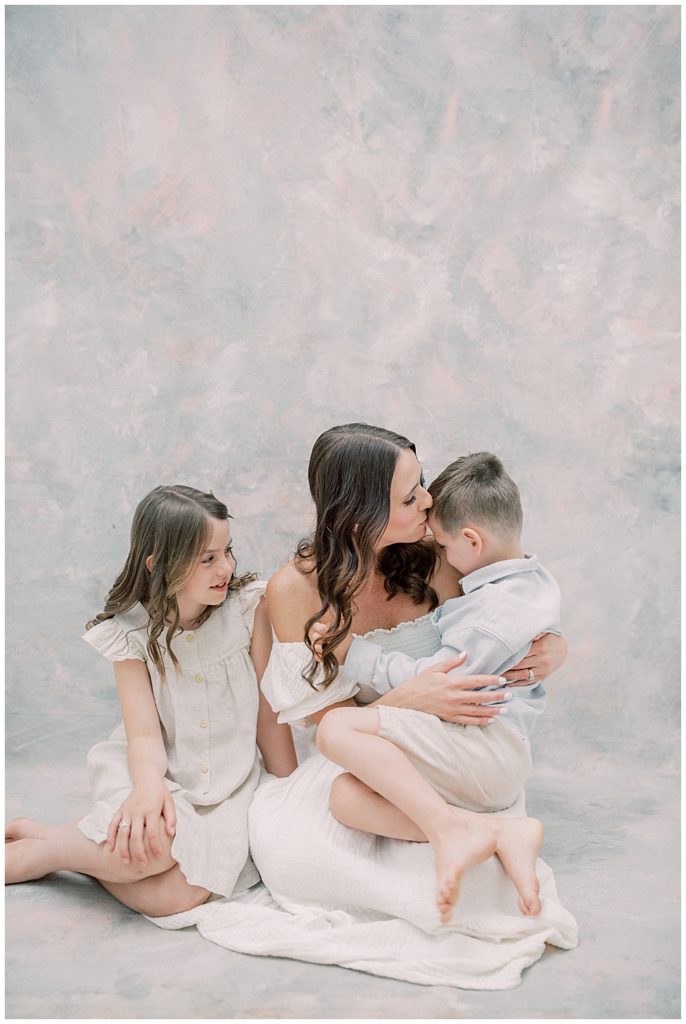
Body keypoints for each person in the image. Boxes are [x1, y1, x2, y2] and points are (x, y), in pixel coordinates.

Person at [216, 423, 576, 989]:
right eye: (410, 498)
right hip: (365, 752)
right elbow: (319, 717)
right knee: (313, 839)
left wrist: (552, 645)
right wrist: (411, 698)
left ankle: (467, 835)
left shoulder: (442, 555)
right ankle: (463, 833)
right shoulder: (296, 590)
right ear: (359, 515)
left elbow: (515, 596)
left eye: (423, 483)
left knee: (455, 889)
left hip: (450, 750)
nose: (430, 502)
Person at [5, 485, 296, 918]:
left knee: (173, 898)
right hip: (154, 768)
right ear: (159, 564)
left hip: (231, 783)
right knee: (154, 847)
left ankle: (54, 845)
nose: (226, 568)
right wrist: (147, 788)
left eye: (228, 551)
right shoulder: (131, 633)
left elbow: (268, 716)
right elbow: (142, 733)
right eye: (208, 558)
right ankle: (36, 856)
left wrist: (289, 789)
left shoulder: (248, 609)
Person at [312, 451, 561, 923]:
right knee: (345, 798)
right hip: (481, 749)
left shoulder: (490, 617)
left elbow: (439, 683)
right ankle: (494, 831)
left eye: (445, 547)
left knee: (336, 730)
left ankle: (449, 830)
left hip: (487, 749)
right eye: (411, 496)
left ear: (471, 540)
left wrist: (355, 654)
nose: (438, 550)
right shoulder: (527, 580)